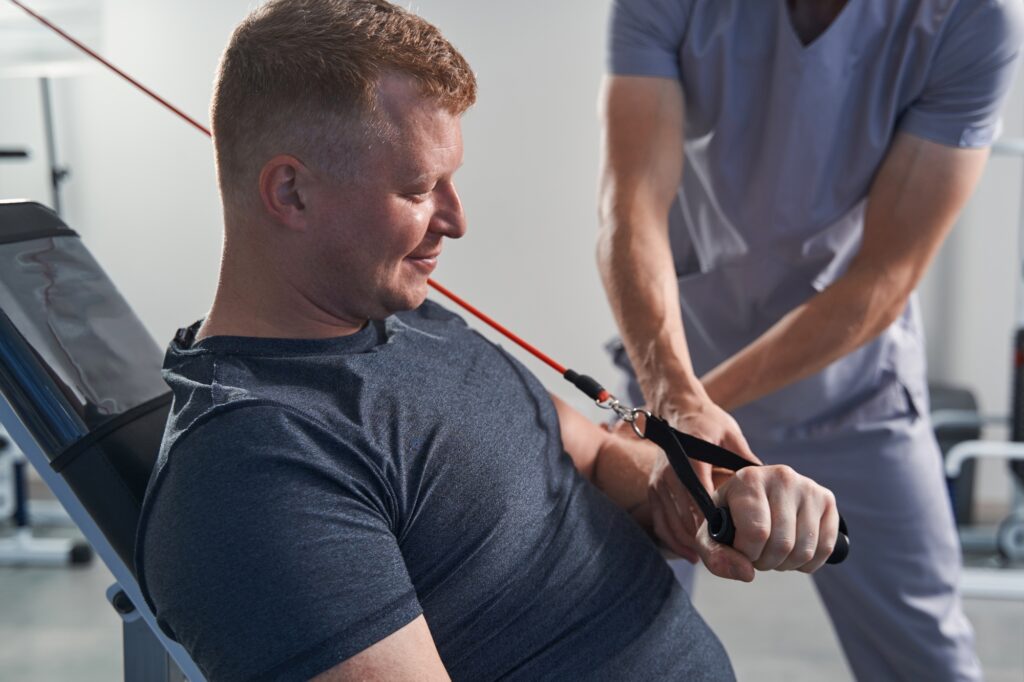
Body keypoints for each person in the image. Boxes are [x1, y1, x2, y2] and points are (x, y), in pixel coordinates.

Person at [133, 1, 843, 680]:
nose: (456, 220)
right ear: (290, 192)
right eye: (420, 189)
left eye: (452, 181)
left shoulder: (407, 321)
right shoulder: (255, 466)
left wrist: (689, 495)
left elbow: (595, 456)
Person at [598, 1, 1024, 680]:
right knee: (607, 642)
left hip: (851, 395)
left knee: (928, 662)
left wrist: (685, 413)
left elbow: (885, 278)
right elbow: (631, 206)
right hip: (677, 365)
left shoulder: (971, 20)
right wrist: (674, 399)